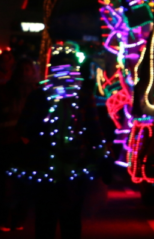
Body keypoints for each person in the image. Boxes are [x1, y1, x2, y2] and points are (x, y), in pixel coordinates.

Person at [16, 42, 104, 239]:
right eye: (61, 67)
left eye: (69, 67)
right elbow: (23, 130)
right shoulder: (40, 95)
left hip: (74, 165)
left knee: (69, 218)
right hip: (47, 165)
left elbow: (94, 129)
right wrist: (36, 148)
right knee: (48, 218)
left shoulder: (82, 95)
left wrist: (99, 155)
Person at [0, 57, 38, 232]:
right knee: (8, 184)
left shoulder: (37, 92)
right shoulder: (5, 91)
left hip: (27, 143)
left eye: (28, 69)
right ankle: (4, 219)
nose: (25, 73)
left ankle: (18, 219)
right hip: (8, 141)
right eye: (22, 69)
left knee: (25, 183)